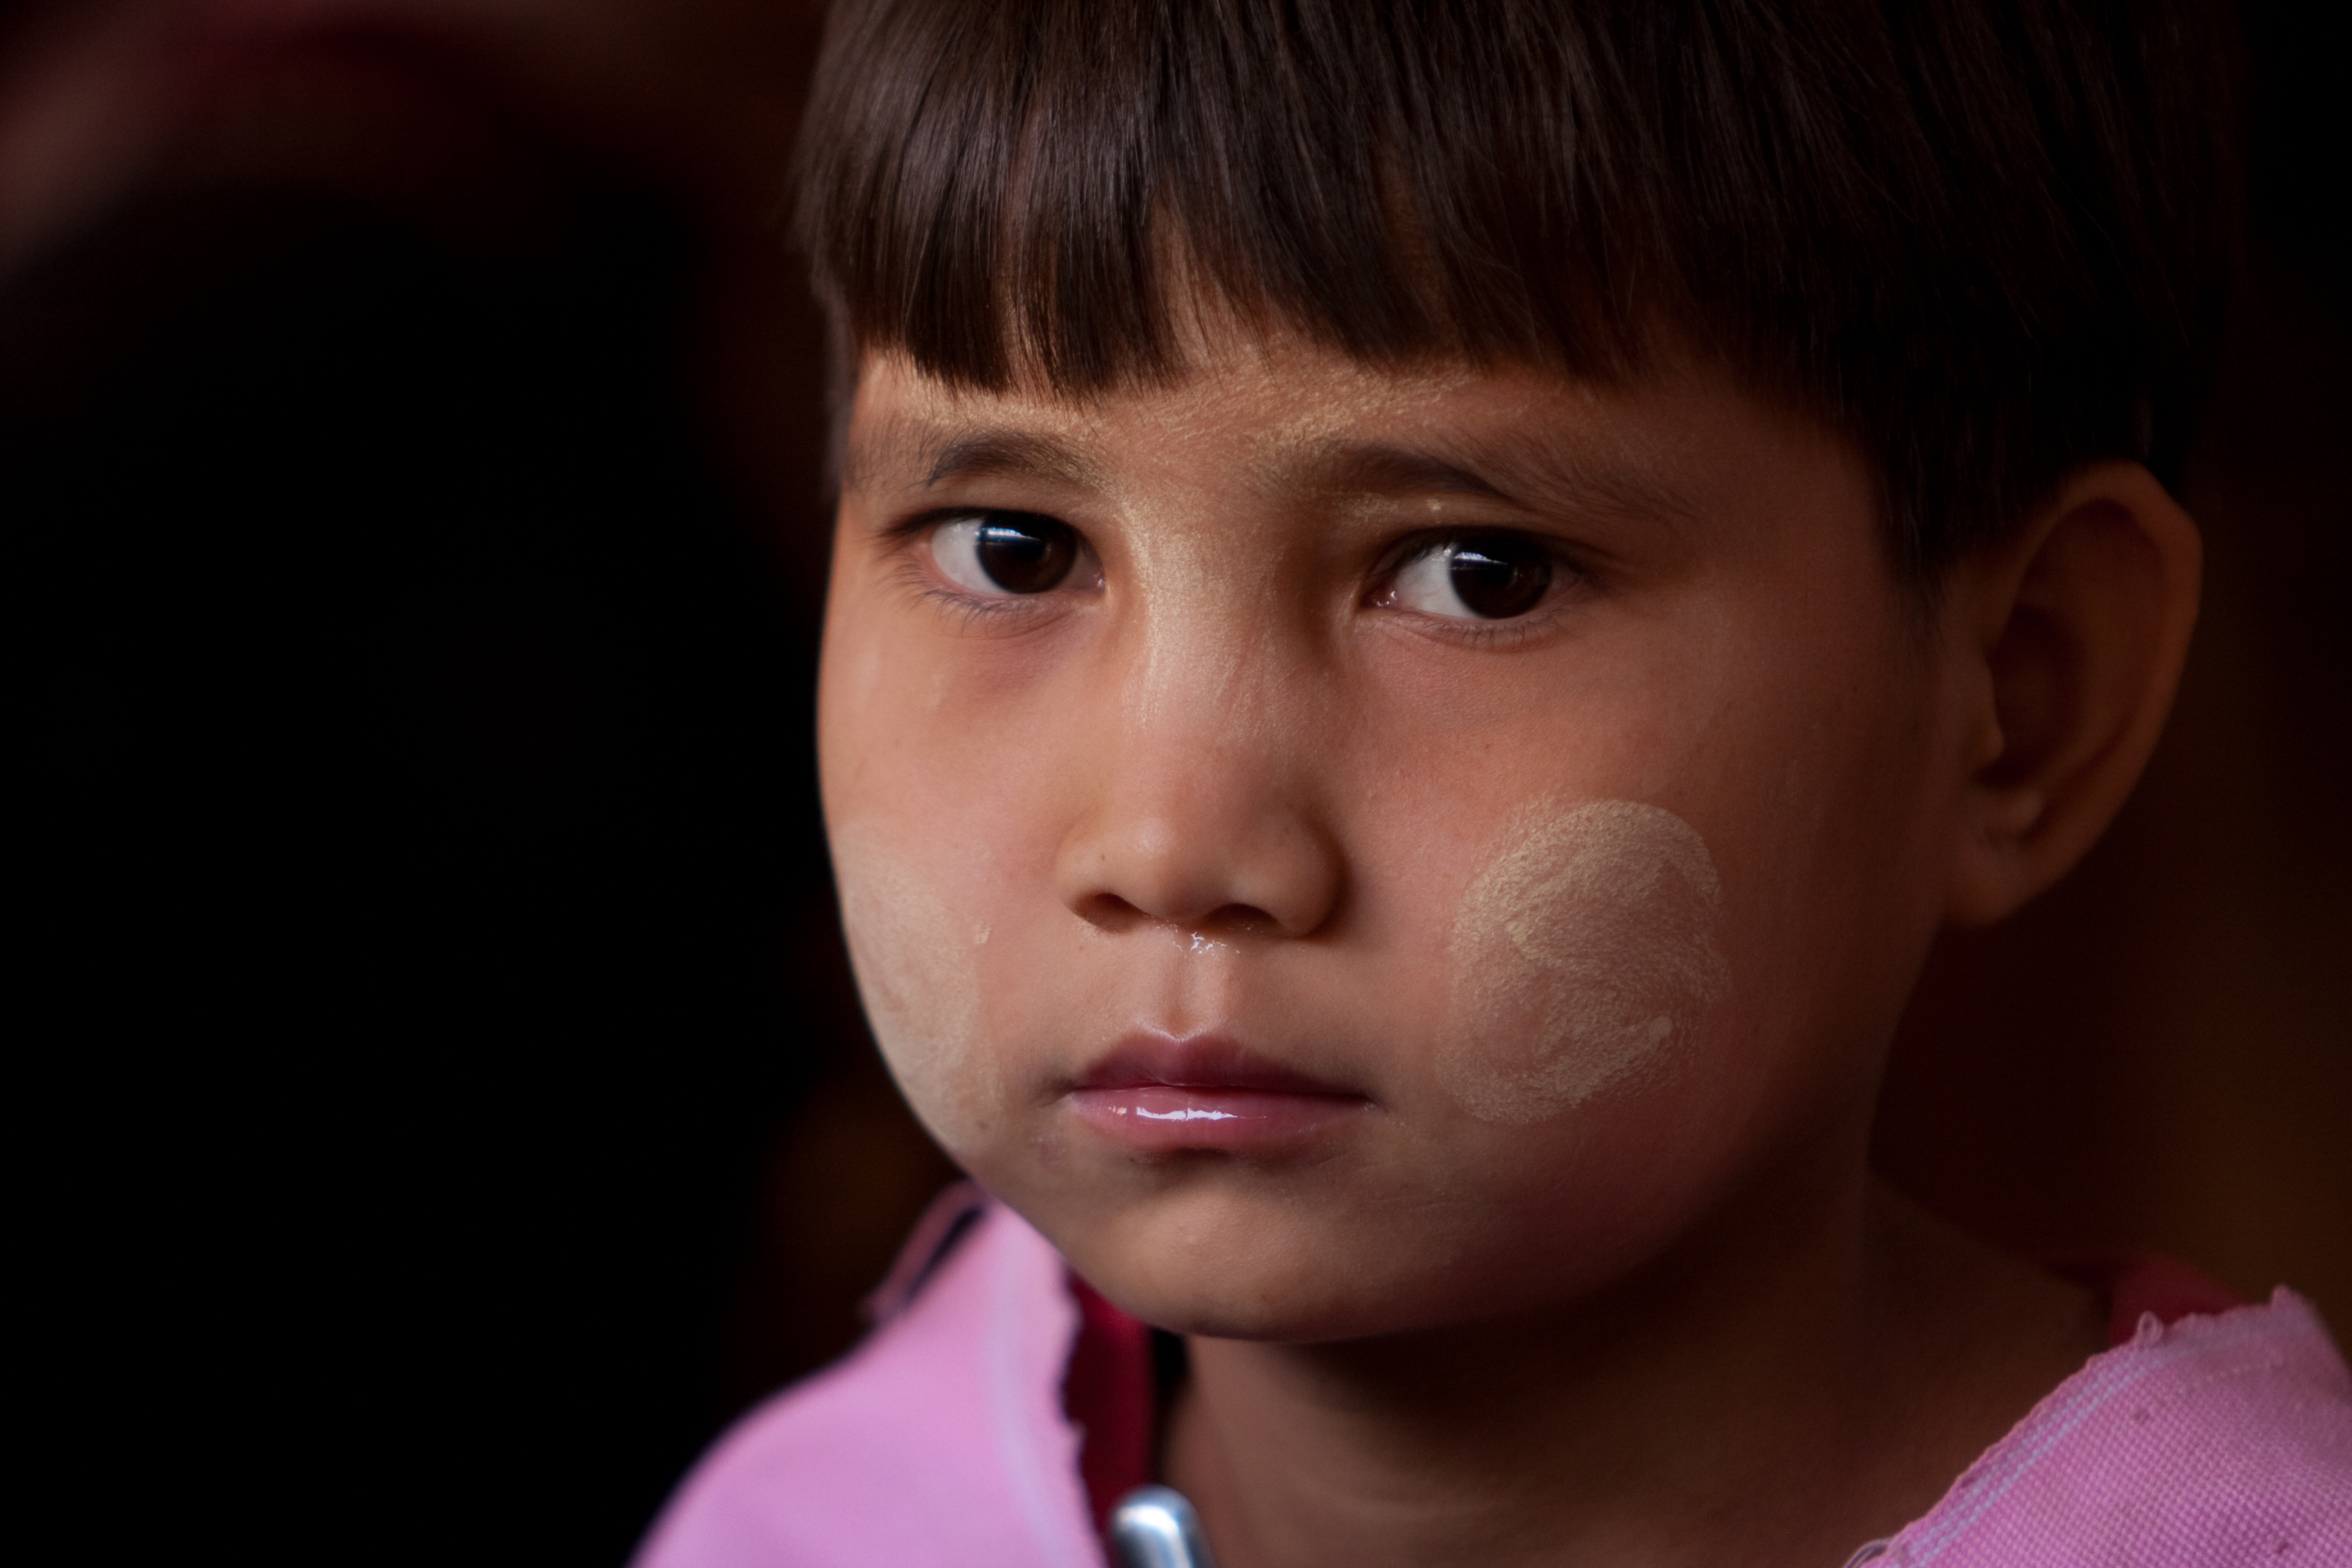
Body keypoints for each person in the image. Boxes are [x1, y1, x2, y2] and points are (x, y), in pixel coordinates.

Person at [636, 1, 2352, 1563]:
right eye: (1013, 548)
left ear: (2019, 700)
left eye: (1480, 575)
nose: (1173, 843)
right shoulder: (812, 1529)